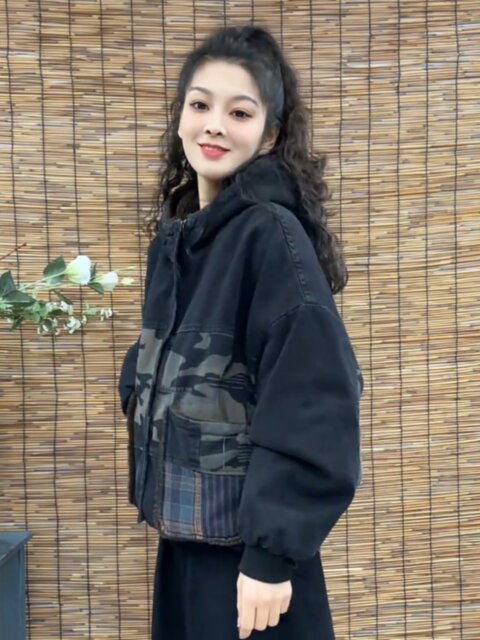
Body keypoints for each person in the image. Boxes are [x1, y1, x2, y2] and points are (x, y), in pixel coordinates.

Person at [118, 24, 364, 640]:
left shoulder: (268, 235)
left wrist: (270, 557)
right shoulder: (178, 241)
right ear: (180, 117)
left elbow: (314, 397)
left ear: (270, 134)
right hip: (186, 547)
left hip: (247, 569)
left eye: (239, 112)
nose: (214, 126)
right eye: (200, 105)